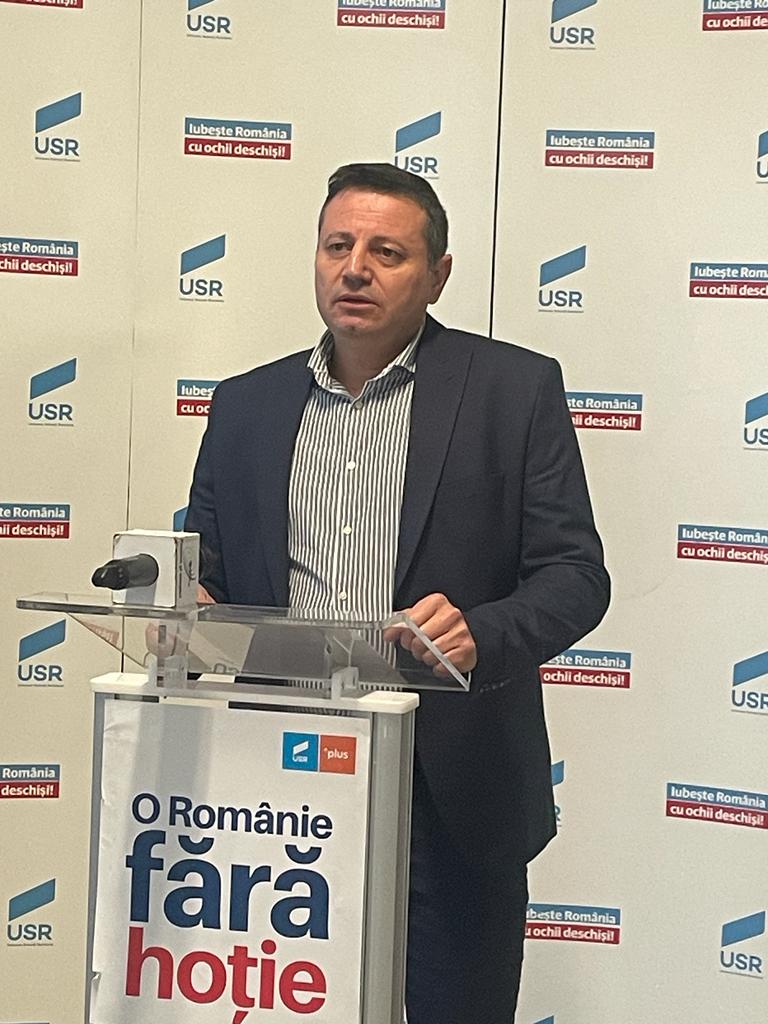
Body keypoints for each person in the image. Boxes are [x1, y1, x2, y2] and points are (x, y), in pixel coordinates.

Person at [186, 162, 610, 1023]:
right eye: (337, 246)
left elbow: (575, 576)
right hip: (273, 800)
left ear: (438, 274)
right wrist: (185, 612)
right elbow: (212, 580)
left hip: (448, 796)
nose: (355, 269)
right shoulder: (244, 405)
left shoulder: (513, 390)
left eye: (387, 252)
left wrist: (480, 633)